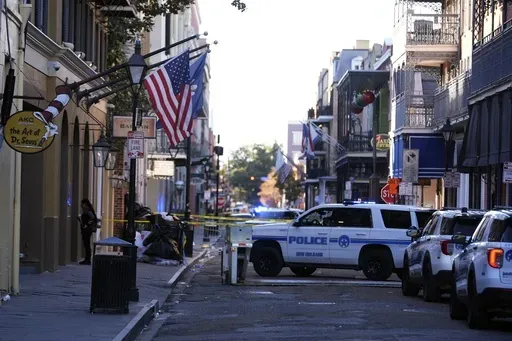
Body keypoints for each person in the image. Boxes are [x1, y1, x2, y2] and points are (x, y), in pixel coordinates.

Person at [78, 198, 98, 265]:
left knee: (86, 244)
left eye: (82, 203)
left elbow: (92, 218)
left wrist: (87, 224)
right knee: (86, 244)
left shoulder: (87, 210)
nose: (81, 205)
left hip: (87, 230)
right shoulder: (87, 210)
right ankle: (87, 259)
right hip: (87, 229)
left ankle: (87, 259)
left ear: (85, 204)